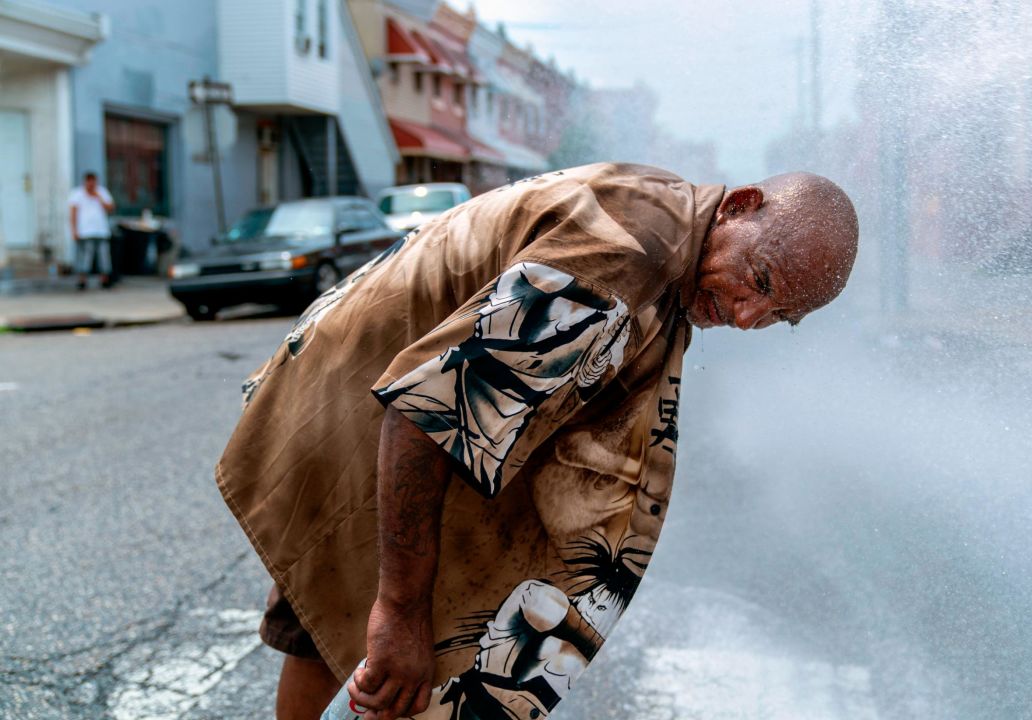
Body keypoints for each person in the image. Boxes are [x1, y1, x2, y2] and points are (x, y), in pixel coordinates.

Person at [215, 162, 858, 720]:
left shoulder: (672, 220)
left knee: (331, 618)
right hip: (356, 418)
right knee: (376, 634)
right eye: (763, 281)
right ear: (742, 205)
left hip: (359, 395)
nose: (748, 318)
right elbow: (425, 416)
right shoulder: (624, 255)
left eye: (779, 317)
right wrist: (401, 611)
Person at [68, 171, 116, 290]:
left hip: (101, 231)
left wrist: (98, 196)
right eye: (89, 182)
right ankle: (82, 280)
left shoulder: (102, 192)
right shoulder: (77, 194)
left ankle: (105, 279)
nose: (91, 184)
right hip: (85, 231)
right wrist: (74, 230)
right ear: (85, 182)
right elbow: (73, 213)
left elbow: (111, 208)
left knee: (103, 256)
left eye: (93, 182)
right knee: (85, 256)